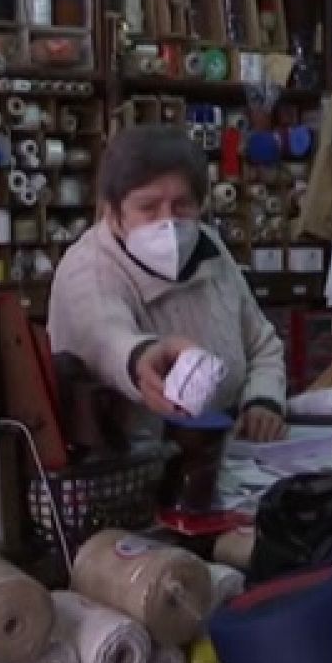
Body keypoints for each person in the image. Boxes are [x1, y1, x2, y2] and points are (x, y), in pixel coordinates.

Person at [48, 125, 288, 441]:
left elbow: (262, 345)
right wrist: (141, 358)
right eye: (148, 207)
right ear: (113, 213)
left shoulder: (210, 248)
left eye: (182, 204)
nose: (168, 222)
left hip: (230, 453)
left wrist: (263, 401)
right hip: (142, 466)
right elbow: (102, 335)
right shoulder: (88, 268)